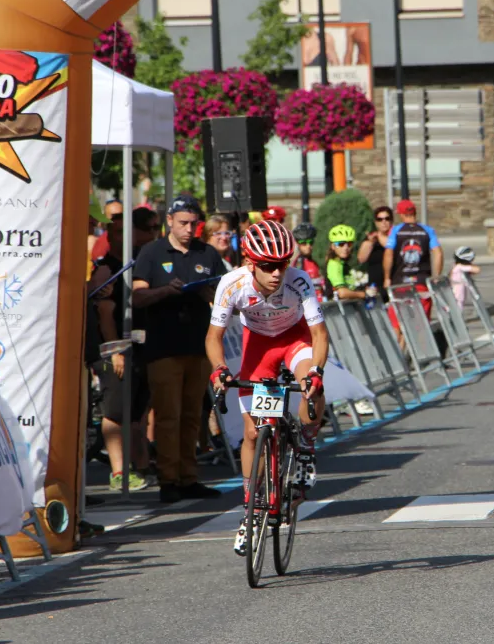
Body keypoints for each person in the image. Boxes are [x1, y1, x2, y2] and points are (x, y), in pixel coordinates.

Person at [204, 220, 329, 557]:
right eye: (268, 266)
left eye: (282, 265)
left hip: (295, 339)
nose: (277, 273)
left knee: (311, 388)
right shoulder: (232, 284)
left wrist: (315, 372)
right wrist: (220, 369)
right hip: (259, 346)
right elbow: (214, 337)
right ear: (250, 263)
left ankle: (304, 446)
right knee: (251, 432)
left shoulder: (298, 281)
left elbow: (319, 334)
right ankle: (251, 509)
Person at [132, 196, 226, 503]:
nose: (189, 229)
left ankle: (189, 477)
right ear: (169, 221)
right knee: (168, 416)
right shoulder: (152, 252)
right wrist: (165, 291)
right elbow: (138, 297)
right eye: (183, 223)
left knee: (192, 416)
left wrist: (206, 291)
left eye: (194, 223)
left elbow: (222, 294)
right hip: (164, 346)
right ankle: (168, 479)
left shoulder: (207, 252)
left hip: (198, 346)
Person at [91, 213, 155, 492]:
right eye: (117, 233)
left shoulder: (140, 262)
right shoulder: (108, 269)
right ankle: (118, 471)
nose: (123, 238)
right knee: (115, 412)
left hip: (141, 346)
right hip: (115, 349)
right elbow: (105, 313)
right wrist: (115, 351)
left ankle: (140, 464)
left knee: (138, 411)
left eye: (126, 232)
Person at [383, 199, 442, 319]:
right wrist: (436, 276)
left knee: (399, 321)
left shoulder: (395, 231)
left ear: (401, 214)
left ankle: (399, 338)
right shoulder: (428, 230)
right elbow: (438, 253)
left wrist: (387, 277)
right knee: (421, 323)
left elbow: (388, 253)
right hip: (421, 282)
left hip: (400, 282)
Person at [325, 225, 376, 302]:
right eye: (341, 244)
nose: (345, 248)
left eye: (349, 244)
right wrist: (364, 294)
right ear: (333, 246)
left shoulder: (343, 264)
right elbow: (342, 293)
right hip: (337, 311)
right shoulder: (334, 264)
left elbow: (350, 287)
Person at [358, 206, 393, 298]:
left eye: (387, 218)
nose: (384, 222)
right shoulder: (372, 239)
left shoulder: (395, 238)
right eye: (380, 219)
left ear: (391, 221)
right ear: (376, 222)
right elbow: (361, 258)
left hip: (392, 284)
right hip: (375, 287)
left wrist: (379, 235)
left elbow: (389, 245)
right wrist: (370, 242)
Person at [291, 223, 327, 302]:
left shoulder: (313, 261)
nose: (308, 246)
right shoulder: (298, 264)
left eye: (311, 242)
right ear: (297, 244)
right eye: (304, 243)